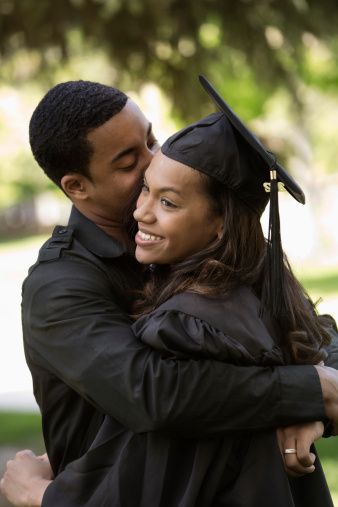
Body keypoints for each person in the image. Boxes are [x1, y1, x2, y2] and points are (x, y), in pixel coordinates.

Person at [2, 79, 338, 506]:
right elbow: (152, 392)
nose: (154, 162)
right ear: (77, 187)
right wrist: (307, 390)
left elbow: (312, 332)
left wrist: (315, 402)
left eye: (151, 140)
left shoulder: (203, 242)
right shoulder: (60, 286)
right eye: (128, 164)